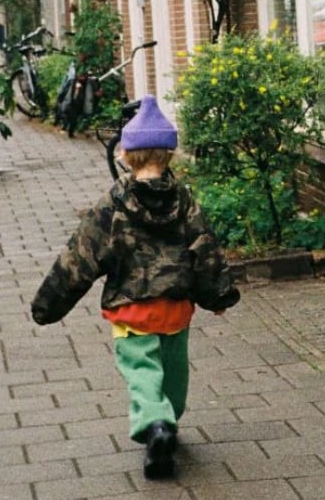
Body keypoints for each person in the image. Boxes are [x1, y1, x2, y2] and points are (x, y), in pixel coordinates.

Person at [29, 95, 239, 478]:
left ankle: (156, 424)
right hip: (175, 308)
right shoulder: (184, 199)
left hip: (131, 311)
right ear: (169, 155)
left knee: (143, 372)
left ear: (125, 154)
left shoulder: (113, 203)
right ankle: (169, 417)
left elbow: (81, 255)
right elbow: (204, 246)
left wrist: (48, 305)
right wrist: (217, 295)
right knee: (173, 373)